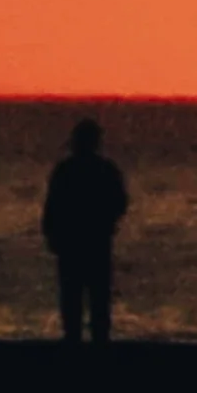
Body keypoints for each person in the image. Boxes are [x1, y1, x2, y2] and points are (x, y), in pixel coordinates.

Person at [43, 118, 130, 344]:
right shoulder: (106, 170)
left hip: (73, 242)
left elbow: (52, 206)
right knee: (97, 296)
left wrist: (52, 233)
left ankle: (75, 338)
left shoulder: (65, 171)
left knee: (74, 296)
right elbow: (120, 203)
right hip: (96, 241)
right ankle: (97, 339)